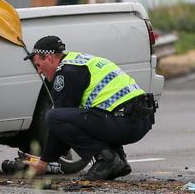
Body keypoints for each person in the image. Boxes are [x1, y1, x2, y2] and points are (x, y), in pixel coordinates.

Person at [23, 35, 156, 180]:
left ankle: (106, 160)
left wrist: (43, 162)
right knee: (91, 114)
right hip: (141, 119)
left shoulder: (66, 72)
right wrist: (48, 158)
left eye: (38, 65)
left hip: (125, 121)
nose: (39, 72)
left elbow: (58, 123)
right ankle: (118, 161)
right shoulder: (80, 61)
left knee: (53, 116)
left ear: (49, 58)